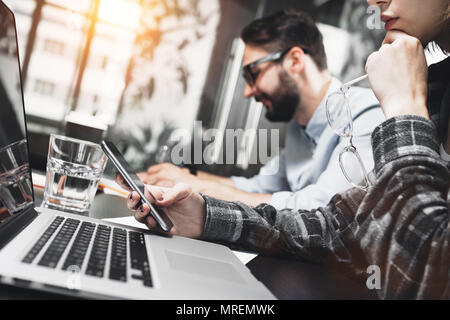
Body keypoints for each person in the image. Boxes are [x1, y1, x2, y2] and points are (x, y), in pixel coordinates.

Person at [118, 0, 450, 299]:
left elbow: (426, 262)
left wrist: (404, 104)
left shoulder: (382, 107)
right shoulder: (434, 95)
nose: (372, 0)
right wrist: (205, 215)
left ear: (294, 61)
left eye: (253, 73)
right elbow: (339, 227)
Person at [139, 10, 384, 210]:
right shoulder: (300, 129)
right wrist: (180, 177)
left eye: (253, 74)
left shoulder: (366, 114)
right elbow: (260, 187)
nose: (247, 91)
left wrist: (192, 186)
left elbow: (322, 208)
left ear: (295, 61)